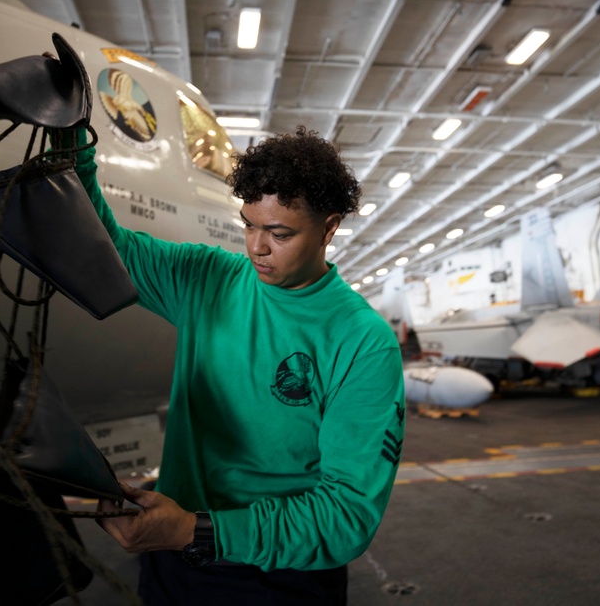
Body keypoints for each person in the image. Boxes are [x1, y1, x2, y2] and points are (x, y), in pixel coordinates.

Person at [78, 125, 405, 605]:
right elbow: (98, 245)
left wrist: (196, 529)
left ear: (329, 228)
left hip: (278, 575)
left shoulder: (361, 341)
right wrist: (72, 146)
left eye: (279, 233)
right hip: (173, 559)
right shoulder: (206, 280)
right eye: (248, 224)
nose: (256, 246)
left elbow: (346, 518)